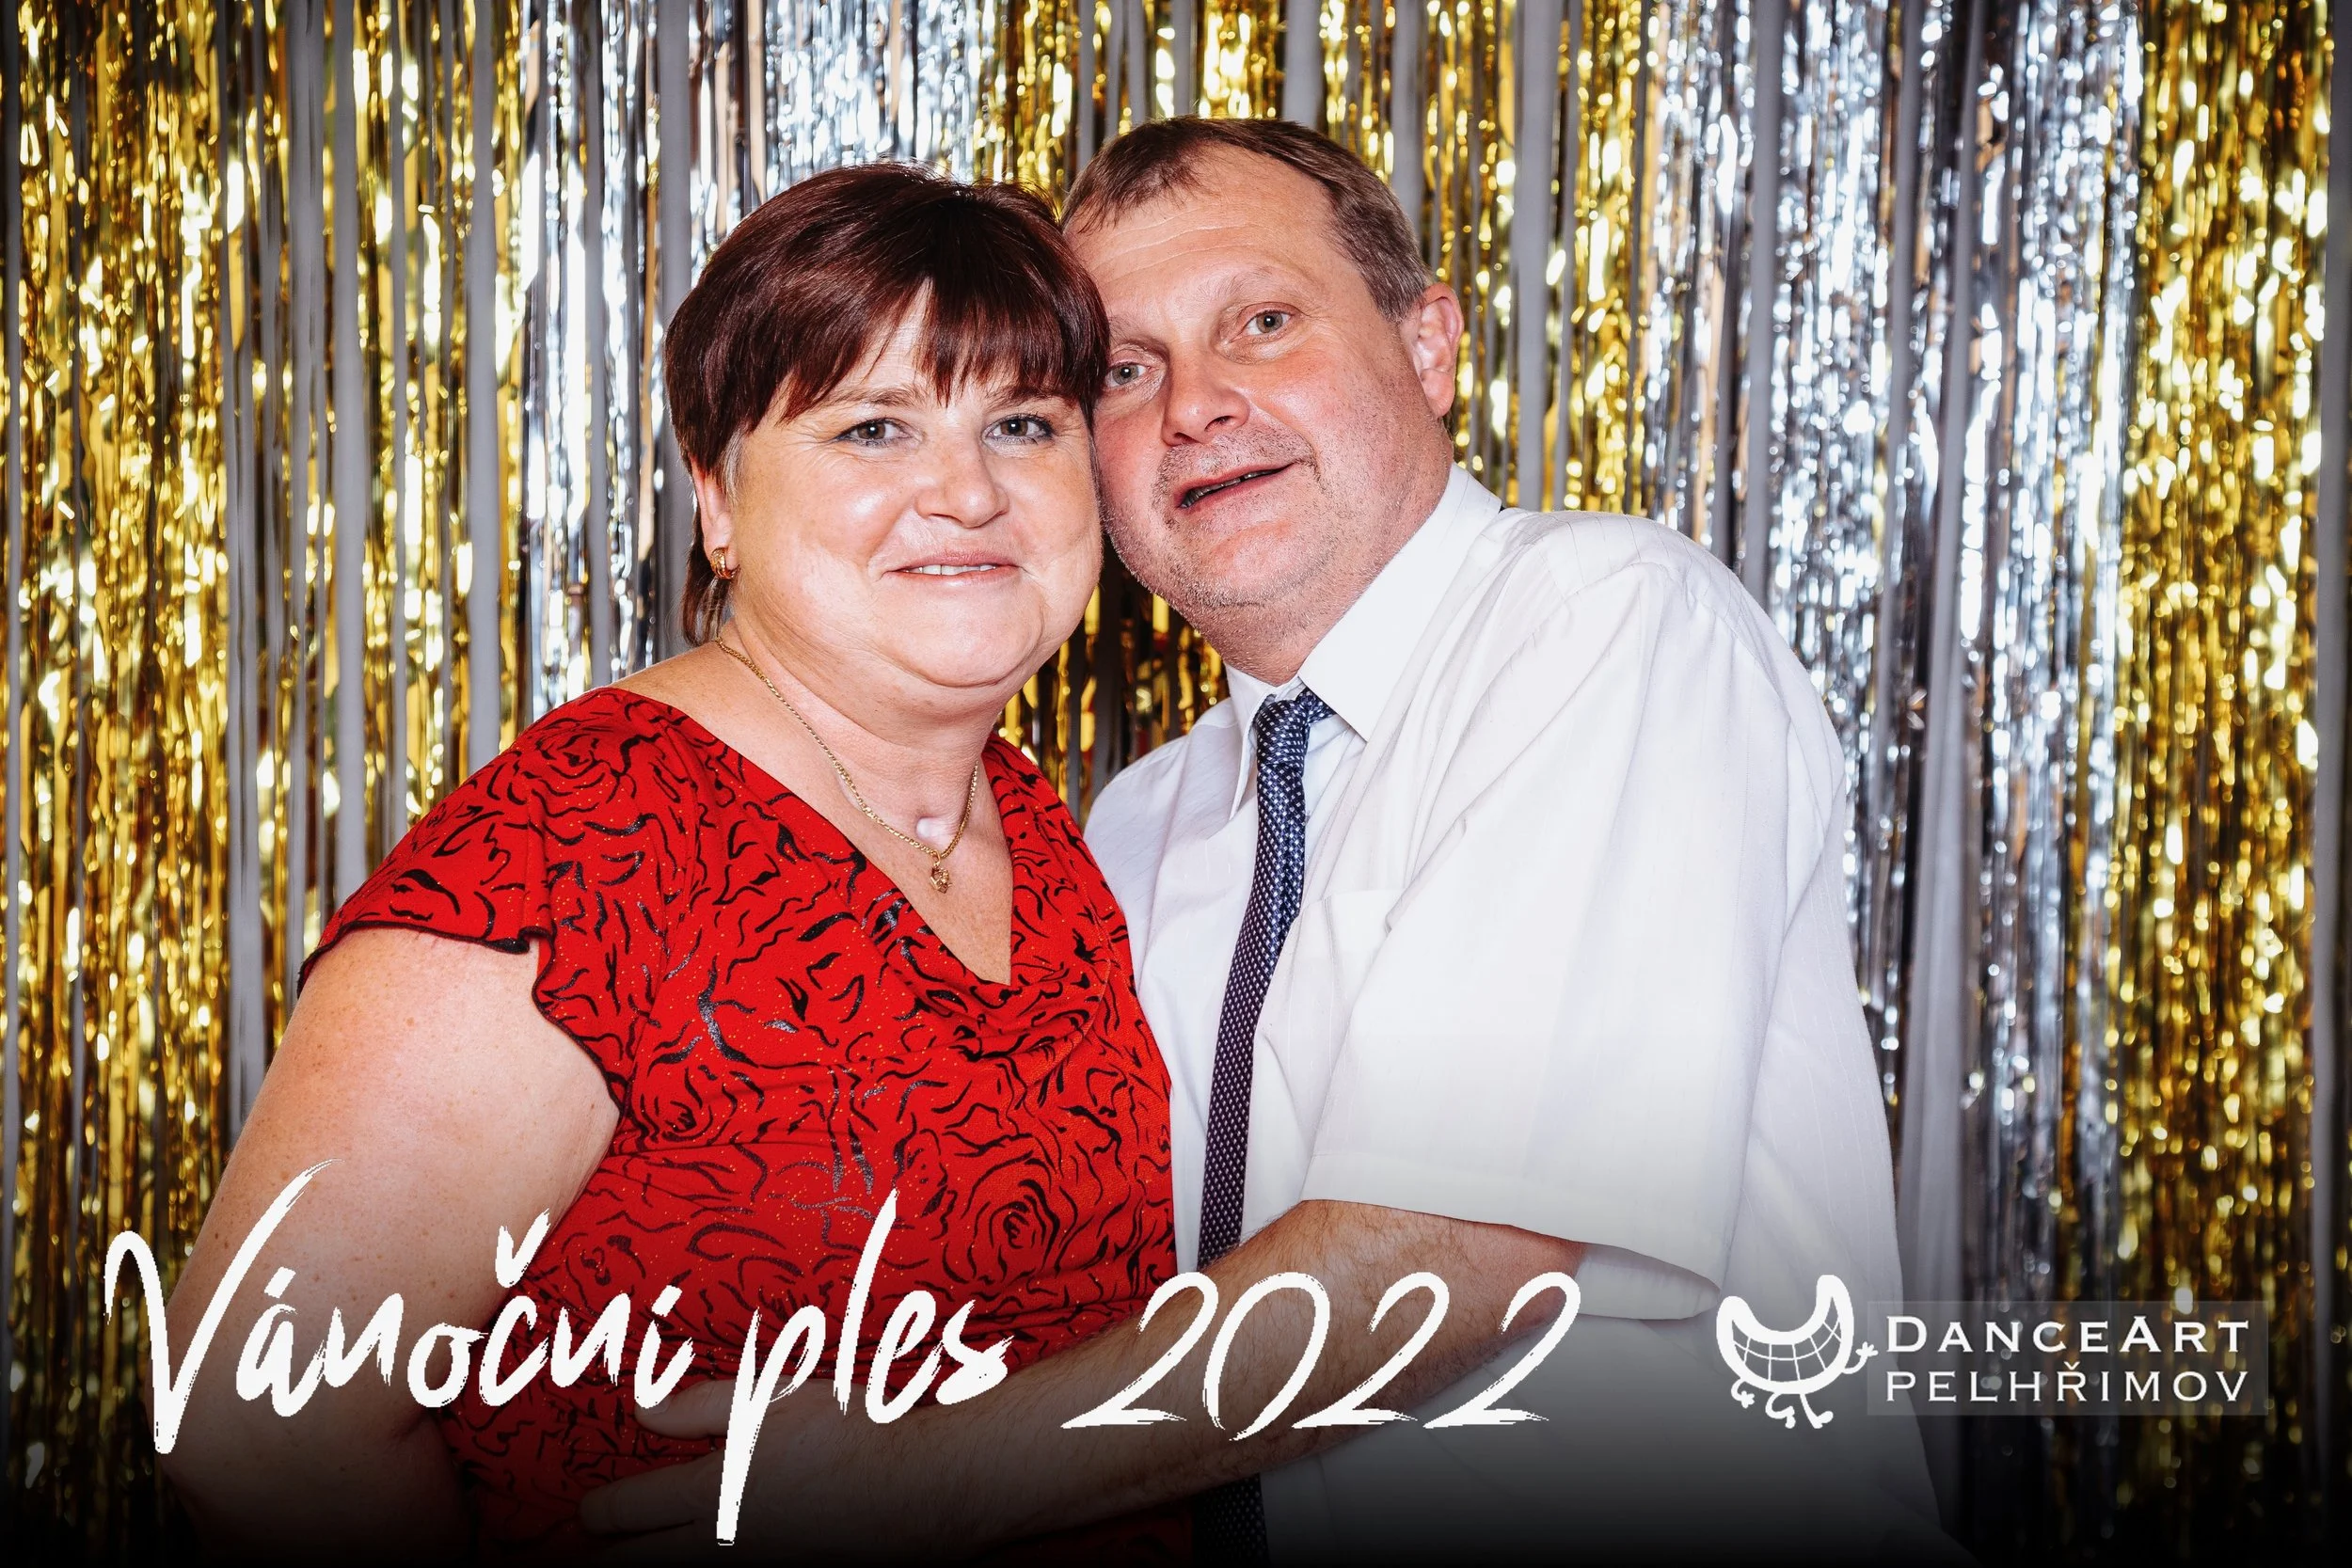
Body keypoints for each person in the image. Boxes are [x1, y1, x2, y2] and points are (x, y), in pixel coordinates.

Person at [584, 120, 1951, 1561]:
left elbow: (1455, 1249)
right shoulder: (1133, 822)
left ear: (1428, 347)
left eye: (1264, 322)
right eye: (1126, 369)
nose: (1195, 406)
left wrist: (907, 1484)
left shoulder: (1608, 620)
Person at [156, 164, 1176, 1560]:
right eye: (873, 427)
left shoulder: (1042, 824)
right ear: (716, 498)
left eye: (1022, 424)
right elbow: (254, 1417)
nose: (967, 491)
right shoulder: (584, 839)